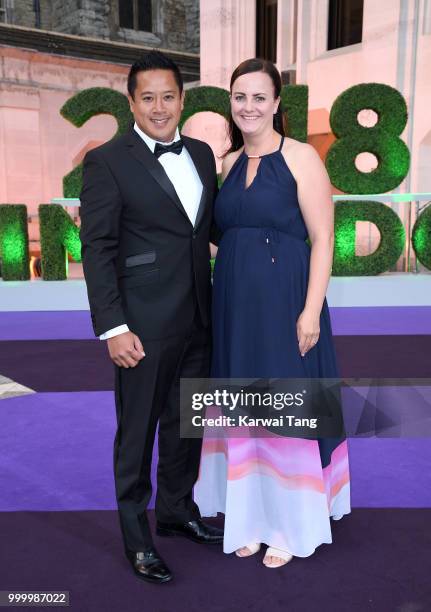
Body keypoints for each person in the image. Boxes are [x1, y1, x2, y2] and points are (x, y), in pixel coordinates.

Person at [194, 58, 351, 567]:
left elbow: (324, 237)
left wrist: (310, 311)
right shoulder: (227, 163)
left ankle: (289, 522)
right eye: (240, 97)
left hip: (287, 304)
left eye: (259, 97)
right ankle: (251, 518)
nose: (249, 107)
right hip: (235, 306)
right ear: (231, 103)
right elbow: (223, 238)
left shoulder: (301, 156)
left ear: (278, 104)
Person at [80, 50, 223, 585]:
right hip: (140, 326)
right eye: (148, 98)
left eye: (169, 96)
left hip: (198, 320)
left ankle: (177, 511)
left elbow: (206, 231)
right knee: (136, 434)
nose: (159, 108)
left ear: (182, 99)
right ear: (131, 102)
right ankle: (137, 541)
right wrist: (113, 327)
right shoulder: (107, 161)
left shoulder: (205, 155)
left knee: (187, 426)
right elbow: (97, 249)